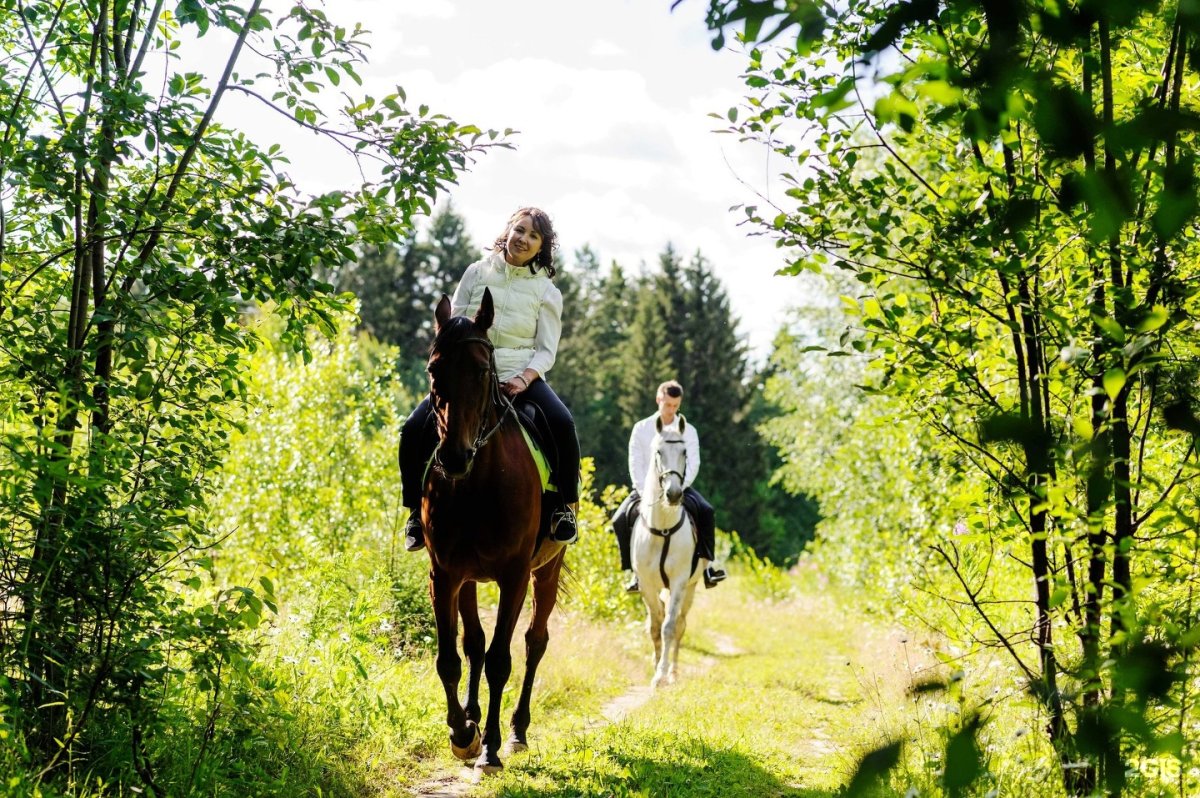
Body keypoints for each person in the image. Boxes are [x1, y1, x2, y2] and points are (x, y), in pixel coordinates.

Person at [398, 207, 581, 551]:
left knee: (562, 423)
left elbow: (546, 350)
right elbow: (453, 324)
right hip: (467, 376)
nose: (523, 239)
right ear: (507, 231)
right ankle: (413, 513)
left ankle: (562, 508)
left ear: (542, 246)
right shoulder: (476, 272)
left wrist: (525, 379)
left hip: (517, 375)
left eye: (533, 236)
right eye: (520, 230)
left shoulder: (546, 291)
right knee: (412, 429)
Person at [610, 380, 727, 591]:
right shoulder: (642, 428)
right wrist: (642, 491)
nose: (671, 409)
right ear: (658, 399)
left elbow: (694, 462)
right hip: (646, 490)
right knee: (619, 518)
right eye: (667, 404)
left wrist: (680, 485)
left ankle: (708, 567)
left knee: (706, 511)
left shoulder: (688, 430)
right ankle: (635, 572)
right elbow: (635, 462)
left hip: (678, 487)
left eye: (675, 405)